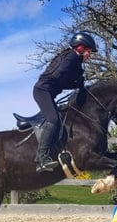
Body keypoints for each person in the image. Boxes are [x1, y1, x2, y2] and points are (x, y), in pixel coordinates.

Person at [33, 31, 97, 171]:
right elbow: (63, 71)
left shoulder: (73, 59)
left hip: (48, 93)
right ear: (81, 47)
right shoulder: (72, 56)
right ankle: (41, 158)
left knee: (60, 119)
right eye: (89, 51)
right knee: (54, 120)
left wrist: (78, 84)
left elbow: (63, 80)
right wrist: (78, 79)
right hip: (42, 91)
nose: (90, 55)